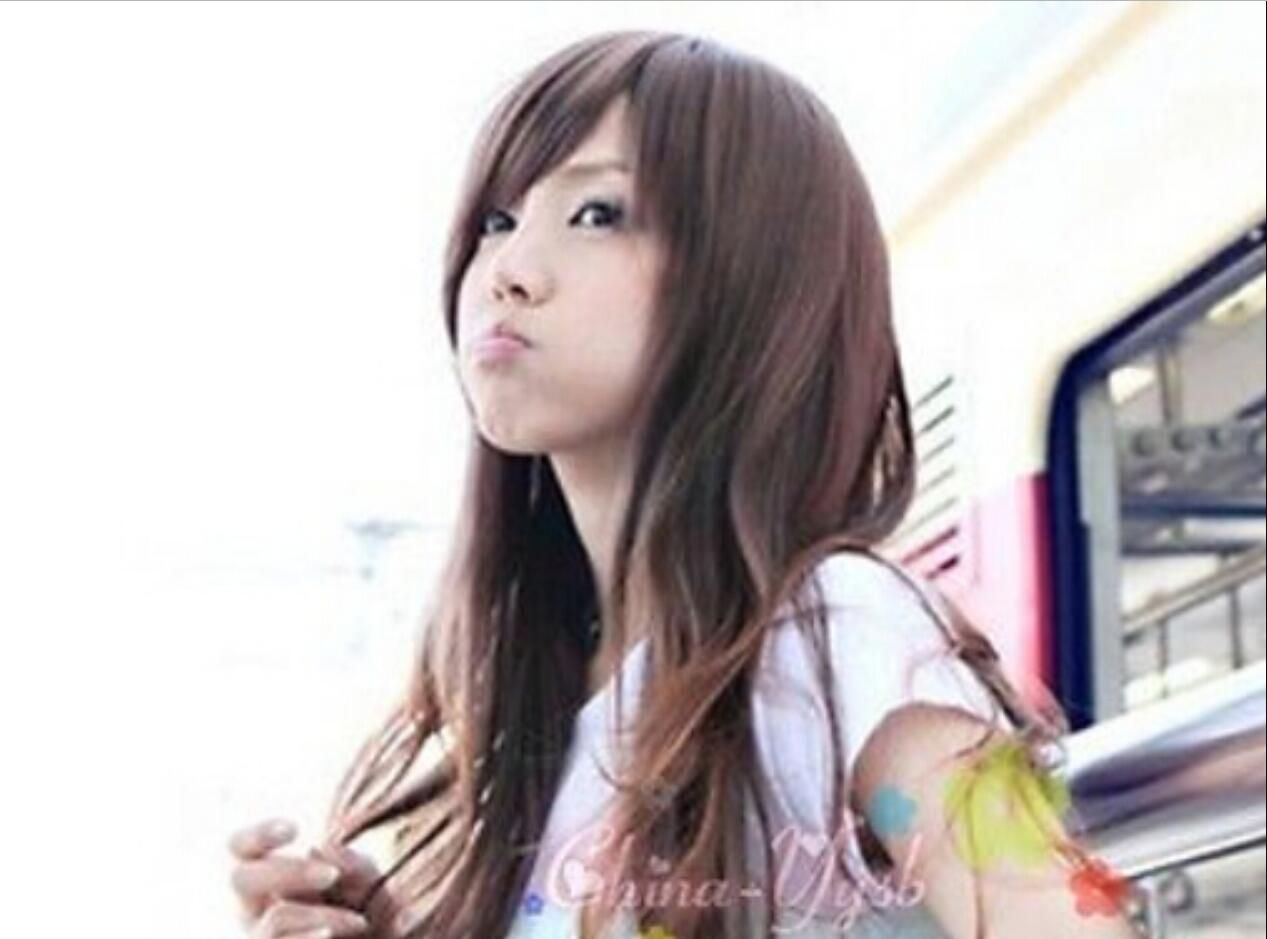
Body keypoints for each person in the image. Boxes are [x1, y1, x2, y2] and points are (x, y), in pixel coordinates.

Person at [229, 29, 1145, 939]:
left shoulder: (831, 630)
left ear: (750, 277)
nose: (507, 270)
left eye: (598, 214)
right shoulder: (530, 721)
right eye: (497, 222)